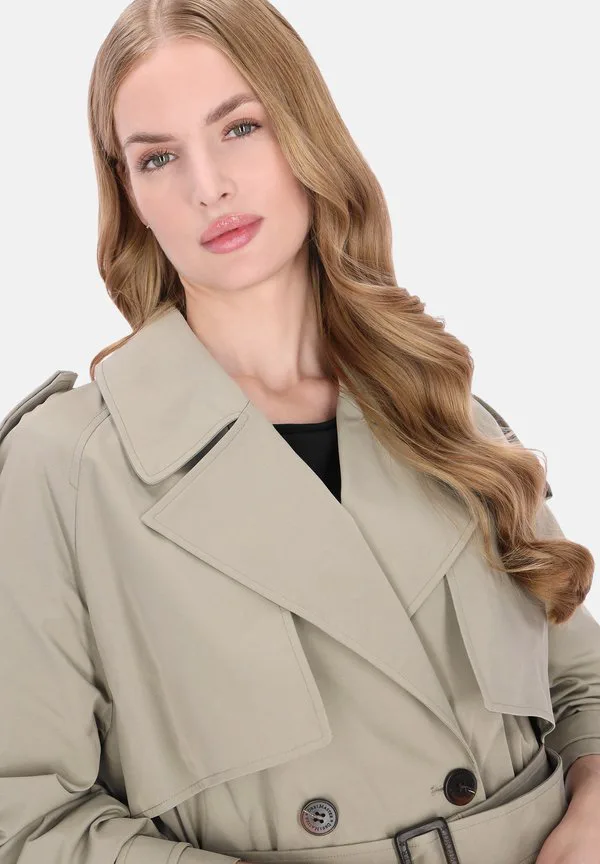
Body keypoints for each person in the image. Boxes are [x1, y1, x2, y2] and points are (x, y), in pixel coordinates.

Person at [0, 1, 599, 863]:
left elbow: (579, 682)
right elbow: (27, 820)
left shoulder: (441, 406)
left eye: (239, 128)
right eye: (158, 157)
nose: (208, 185)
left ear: (305, 132)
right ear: (131, 196)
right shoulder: (66, 468)